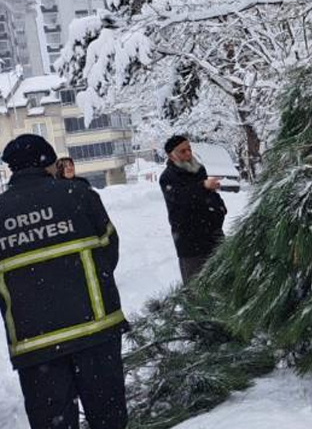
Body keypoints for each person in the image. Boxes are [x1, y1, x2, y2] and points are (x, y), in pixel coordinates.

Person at [0, 134, 128, 429]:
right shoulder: (78, 195)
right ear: (48, 164)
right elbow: (109, 248)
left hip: (35, 346)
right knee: (108, 420)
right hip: (95, 331)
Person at [159, 135, 227, 283]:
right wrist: (203, 186)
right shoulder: (168, 177)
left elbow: (210, 196)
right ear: (172, 155)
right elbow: (182, 198)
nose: (188, 154)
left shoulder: (199, 169)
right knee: (196, 288)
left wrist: (220, 209)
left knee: (224, 283)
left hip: (213, 235)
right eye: (182, 151)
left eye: (189, 149)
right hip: (190, 242)